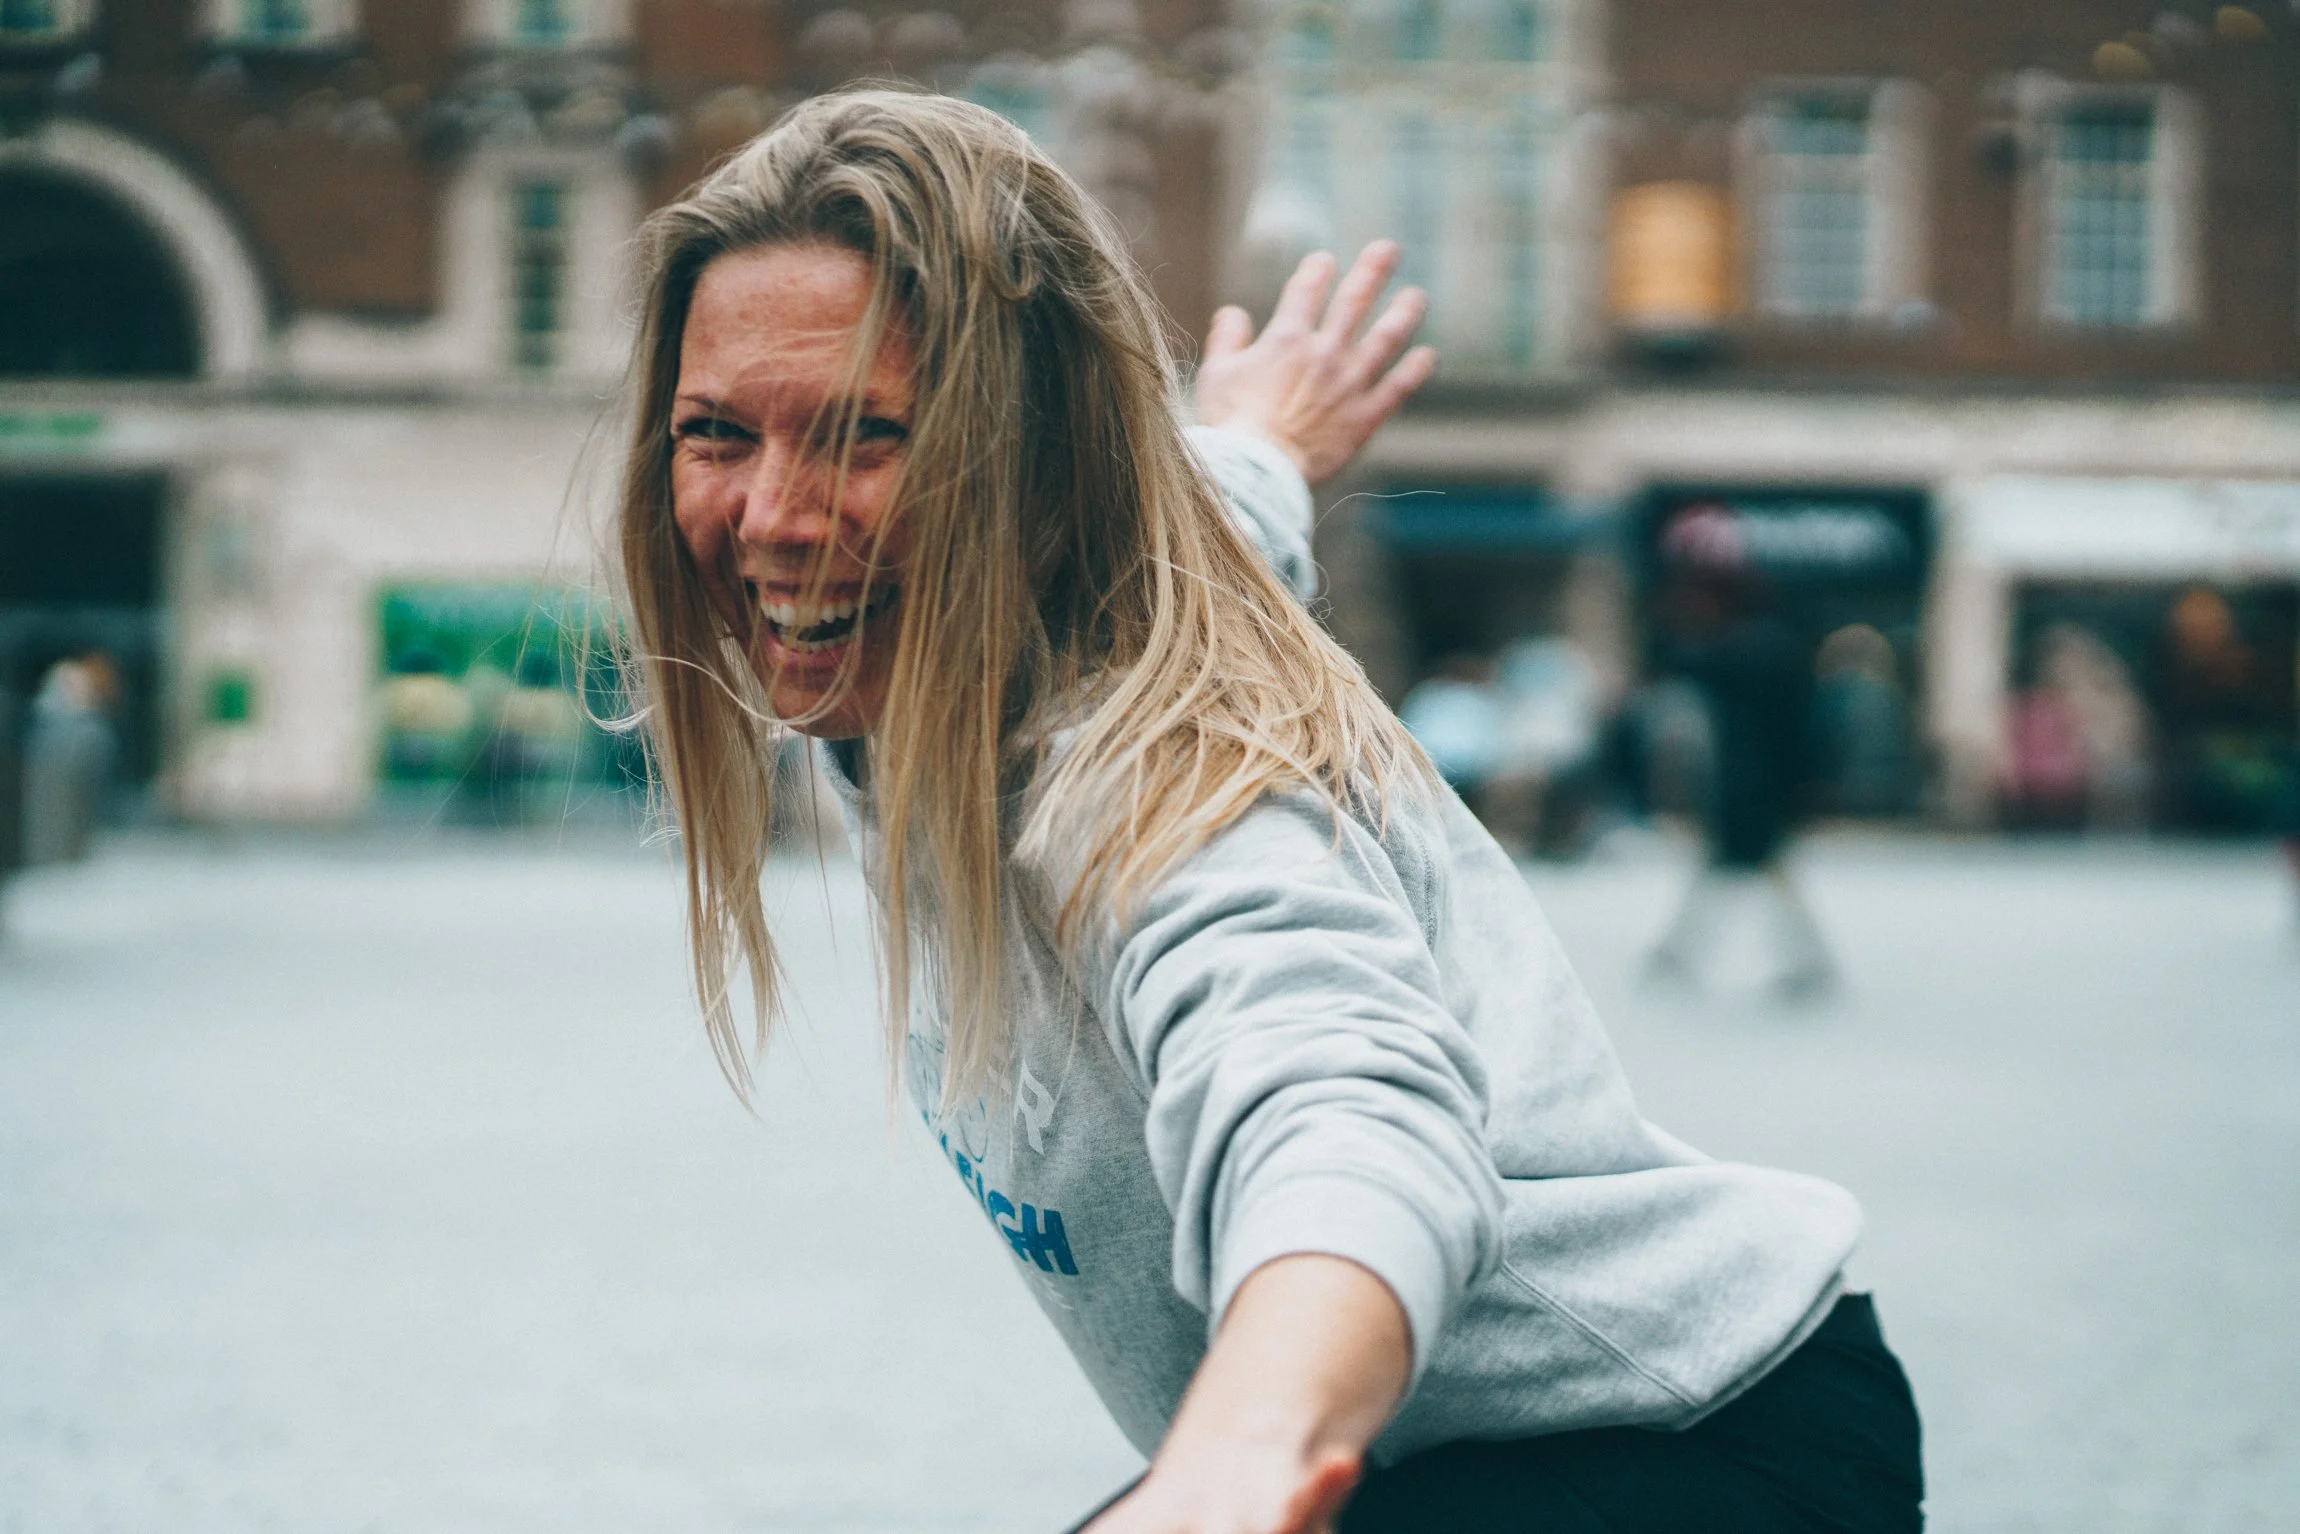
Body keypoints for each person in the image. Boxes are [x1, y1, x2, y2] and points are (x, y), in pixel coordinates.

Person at [614, 90, 1920, 1534]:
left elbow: (1344, 1113)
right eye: (716, 432)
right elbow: (1212, 516)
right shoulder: (993, 633)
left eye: (865, 435)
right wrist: (1261, 438)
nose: (771, 517)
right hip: (1428, 1454)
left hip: (1682, 1445)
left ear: (1036, 472)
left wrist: (1235, 1460)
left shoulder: (1155, 771)